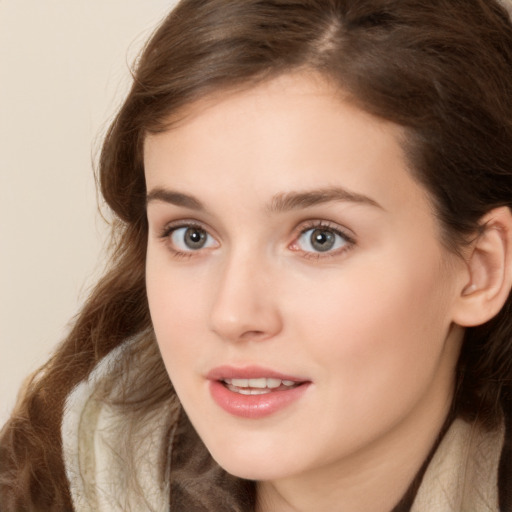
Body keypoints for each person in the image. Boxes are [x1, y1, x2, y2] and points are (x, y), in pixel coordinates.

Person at [1, 0, 512, 510]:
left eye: (320, 238)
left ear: (479, 270)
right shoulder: (35, 489)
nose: (232, 314)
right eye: (191, 235)